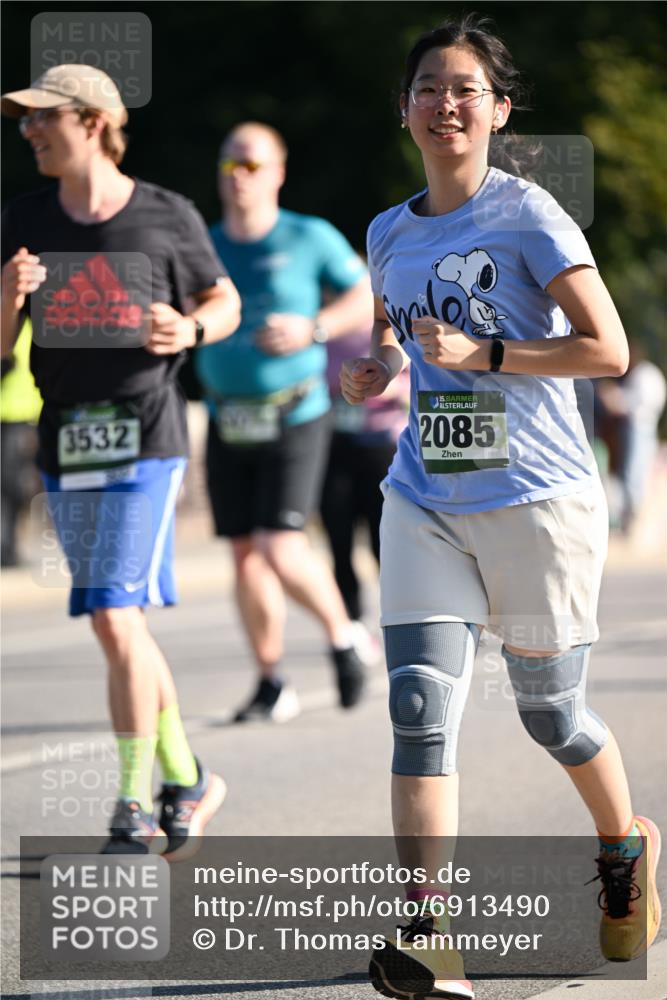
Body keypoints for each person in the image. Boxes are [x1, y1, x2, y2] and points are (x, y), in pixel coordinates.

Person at [340, 16, 661, 999]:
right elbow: (398, 333)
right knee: (417, 710)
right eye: (428, 87)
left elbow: (605, 351)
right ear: (404, 109)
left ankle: (624, 849)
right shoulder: (385, 230)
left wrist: (483, 355)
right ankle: (429, 935)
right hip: (426, 496)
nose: (445, 103)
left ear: (498, 110)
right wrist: (378, 367)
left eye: (465, 88)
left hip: (538, 500)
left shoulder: (529, 216)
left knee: (550, 715)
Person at [1, 65, 241, 857]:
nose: (29, 131)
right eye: (25, 121)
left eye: (44, 119)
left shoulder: (166, 214)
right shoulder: (24, 219)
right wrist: (8, 295)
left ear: (94, 122)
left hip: (146, 437)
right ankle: (189, 778)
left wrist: (193, 329)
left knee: (111, 612)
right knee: (121, 625)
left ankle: (132, 802)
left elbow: (223, 299)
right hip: (67, 444)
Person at [195, 122, 375, 723]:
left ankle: (345, 635)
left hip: (296, 411)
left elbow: (364, 295)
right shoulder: (204, 241)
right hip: (228, 415)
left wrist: (313, 328)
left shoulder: (308, 235)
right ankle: (271, 681)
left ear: (277, 172)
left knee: (278, 544)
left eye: (250, 165)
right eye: (228, 165)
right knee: (245, 556)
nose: (238, 177)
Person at [320, 324, 409, 625]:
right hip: (335, 446)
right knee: (339, 542)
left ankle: (399, 618)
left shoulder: (388, 323)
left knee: (383, 541)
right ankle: (353, 624)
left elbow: (419, 375)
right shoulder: (322, 327)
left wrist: (391, 385)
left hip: (382, 445)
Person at [1, 318, 42, 566]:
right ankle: (6, 549)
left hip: (20, 413)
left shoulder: (27, 316)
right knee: (9, 484)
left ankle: (8, 548)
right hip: (13, 411)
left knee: (13, 485)